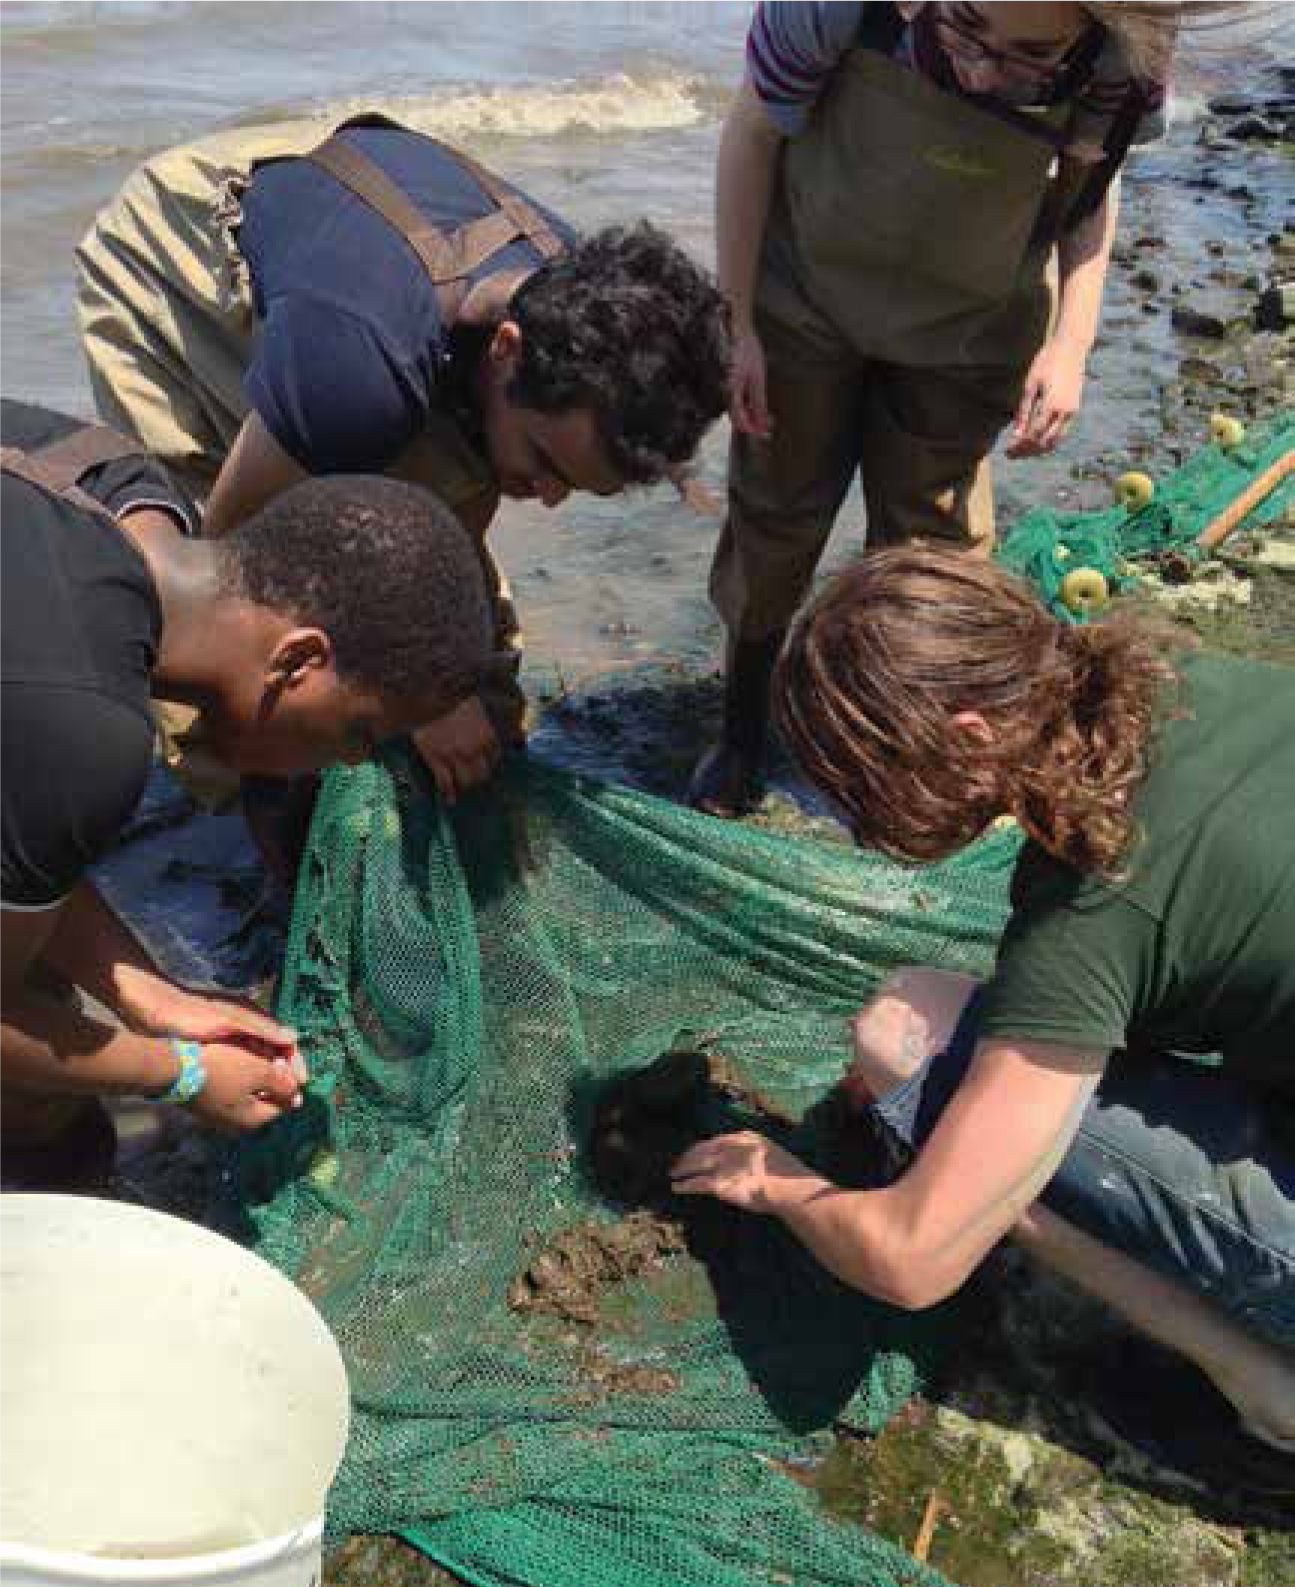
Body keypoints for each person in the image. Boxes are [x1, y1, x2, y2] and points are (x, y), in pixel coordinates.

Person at [673, 545, 1294, 1478]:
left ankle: (1266, 1390)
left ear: (966, 736)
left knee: (904, 1043)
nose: (855, 823)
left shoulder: (1093, 902)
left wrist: (777, 1182)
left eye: (859, 786)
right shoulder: (1185, 684)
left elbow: (910, 1260)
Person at [76, 112, 730, 799]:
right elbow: (227, 562)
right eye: (545, 465)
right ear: (506, 350)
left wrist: (445, 685)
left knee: (465, 653)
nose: (546, 496)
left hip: (357, 241)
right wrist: (421, 704)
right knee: (238, 641)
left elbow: (453, 528)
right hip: (182, 246)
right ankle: (268, 828)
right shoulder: (355, 374)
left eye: (575, 487)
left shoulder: (583, 322)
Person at [690, 0, 1180, 816]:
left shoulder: (1124, 51)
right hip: (806, 299)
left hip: (971, 327)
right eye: (964, 29)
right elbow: (751, 133)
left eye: (1028, 56)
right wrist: (736, 324)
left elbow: (1091, 186)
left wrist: (1069, 348)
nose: (984, 72)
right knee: (774, 515)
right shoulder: (832, 9)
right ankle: (740, 727)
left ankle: (903, 749)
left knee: (932, 547)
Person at [1, 399, 495, 1191]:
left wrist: (152, 994)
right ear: (298, 660)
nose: (334, 768)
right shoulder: (84, 727)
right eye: (357, 736)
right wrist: (178, 1073)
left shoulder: (117, 480)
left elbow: (17, 831)